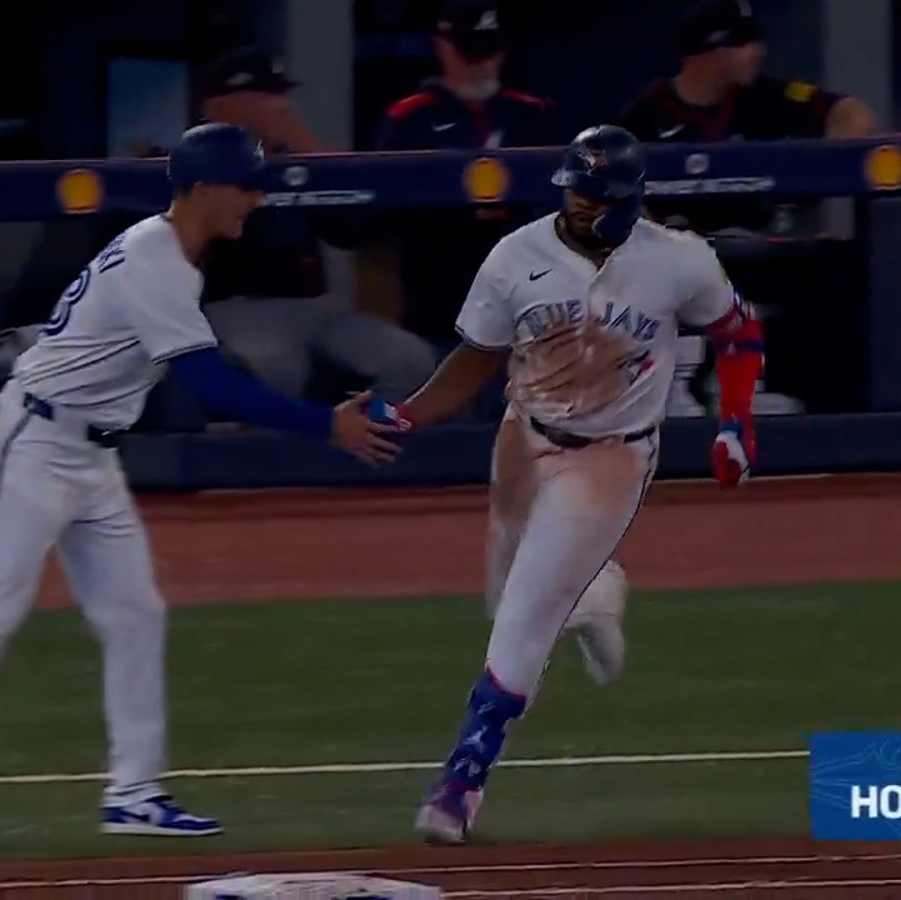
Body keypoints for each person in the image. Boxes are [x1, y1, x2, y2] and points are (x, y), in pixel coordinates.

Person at [0, 123, 403, 845]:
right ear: (206, 189)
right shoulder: (155, 258)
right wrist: (325, 426)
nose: (256, 197)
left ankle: (136, 793)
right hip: (28, 446)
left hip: (90, 457)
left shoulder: (175, 258)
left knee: (136, 614)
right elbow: (212, 386)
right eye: (246, 185)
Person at [371, 125, 763, 845]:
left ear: (629, 196)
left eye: (596, 194)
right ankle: (597, 592)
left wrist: (734, 423)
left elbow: (740, 333)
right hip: (523, 439)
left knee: (525, 613)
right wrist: (406, 414)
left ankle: (462, 782)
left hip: (611, 458)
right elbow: (476, 358)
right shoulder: (516, 255)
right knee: (509, 597)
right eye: (575, 191)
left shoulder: (678, 261)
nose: (582, 206)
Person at [194, 46, 438, 404]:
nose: (283, 105)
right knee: (278, 368)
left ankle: (356, 445)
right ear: (221, 106)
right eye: (265, 96)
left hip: (317, 309)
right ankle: (268, 456)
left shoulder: (298, 161)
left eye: (281, 94)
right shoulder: (193, 162)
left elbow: (352, 230)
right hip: (237, 307)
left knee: (409, 360)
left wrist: (306, 152)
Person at [374, 0, 563, 349]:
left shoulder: (533, 113)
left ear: (501, 51)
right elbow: (386, 210)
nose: (478, 62)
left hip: (526, 293)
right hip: (439, 293)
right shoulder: (410, 117)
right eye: (467, 51)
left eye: (486, 50)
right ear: (441, 47)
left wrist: (517, 208)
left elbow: (562, 195)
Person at [616, 0, 877, 234]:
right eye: (744, 43)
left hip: (763, 258)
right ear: (710, 52)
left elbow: (854, 114)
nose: (759, 52)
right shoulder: (648, 111)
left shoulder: (768, 97)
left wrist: (824, 163)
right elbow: (609, 182)